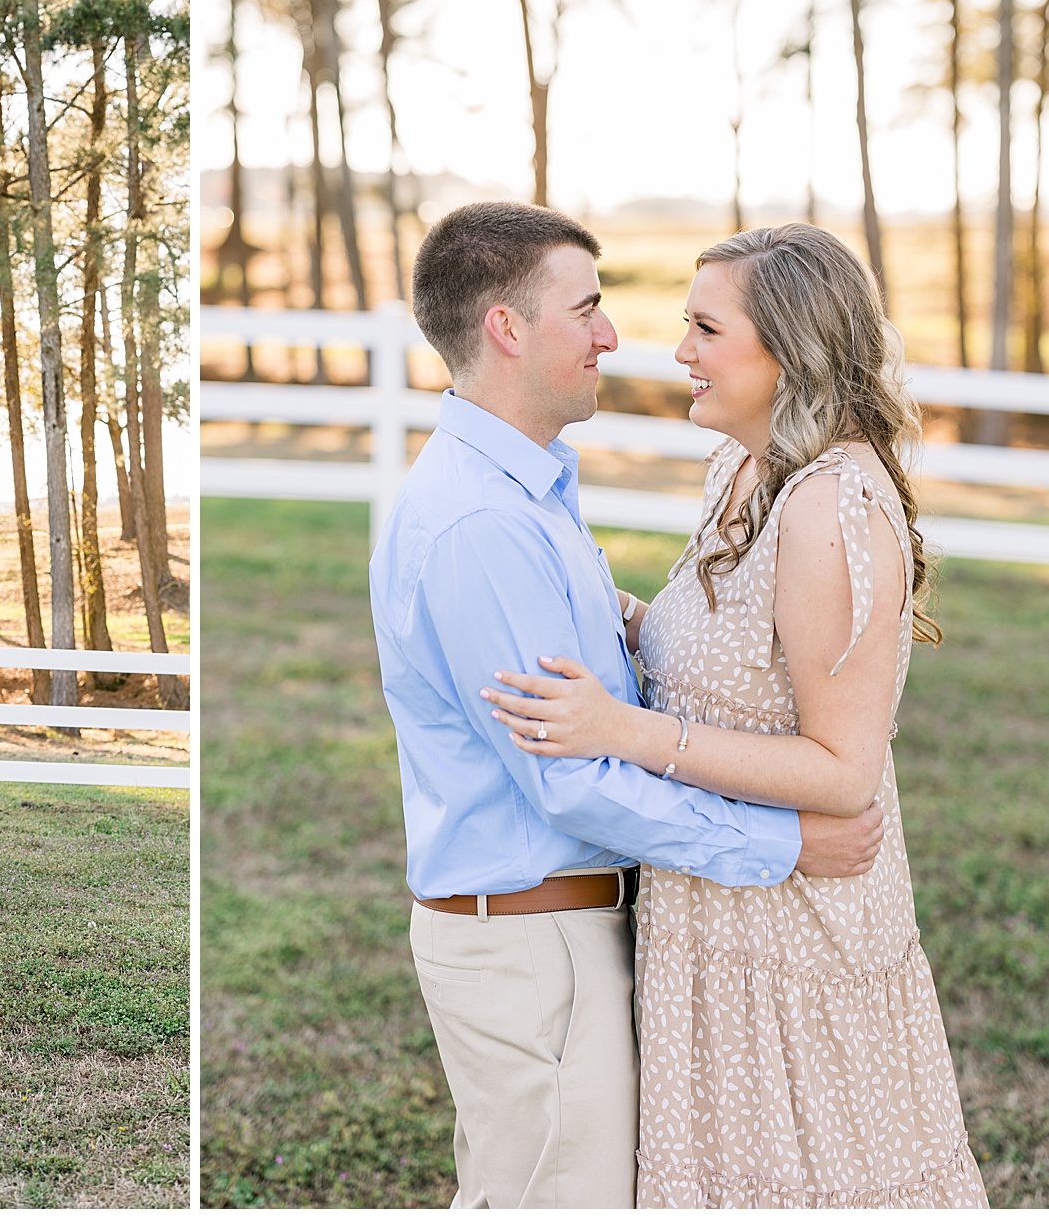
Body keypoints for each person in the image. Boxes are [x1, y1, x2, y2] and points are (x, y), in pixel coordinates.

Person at [368, 201, 887, 1208]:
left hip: (554, 937)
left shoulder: (526, 492)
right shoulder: (483, 524)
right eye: (587, 309)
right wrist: (784, 844)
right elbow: (572, 782)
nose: (612, 335)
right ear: (507, 328)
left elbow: (598, 693)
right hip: (533, 950)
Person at [479, 223, 987, 1207]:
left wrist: (622, 731)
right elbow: (718, 653)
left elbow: (844, 770)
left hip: (795, 941)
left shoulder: (830, 506)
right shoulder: (746, 468)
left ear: (790, 349)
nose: (680, 351)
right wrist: (595, 606)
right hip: (713, 912)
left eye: (706, 329)